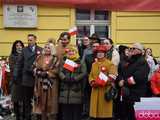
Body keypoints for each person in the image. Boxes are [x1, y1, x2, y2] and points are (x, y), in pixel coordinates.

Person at [118, 42, 150, 120]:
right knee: (126, 114)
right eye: (130, 48)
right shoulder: (130, 61)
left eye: (133, 48)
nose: (131, 50)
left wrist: (124, 82)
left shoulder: (142, 62)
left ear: (140, 51)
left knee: (132, 115)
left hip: (135, 94)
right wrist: (120, 79)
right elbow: (121, 72)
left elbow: (137, 78)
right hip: (127, 93)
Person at [14, 34, 42, 120]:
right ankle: (27, 117)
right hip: (26, 79)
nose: (29, 42)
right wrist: (15, 75)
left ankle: (38, 117)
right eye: (28, 40)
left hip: (37, 78)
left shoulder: (40, 50)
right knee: (26, 101)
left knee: (38, 100)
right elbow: (19, 63)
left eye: (31, 40)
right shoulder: (24, 50)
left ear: (35, 40)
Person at [89, 45, 117, 120]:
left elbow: (112, 77)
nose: (100, 54)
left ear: (105, 53)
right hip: (95, 91)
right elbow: (90, 75)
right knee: (95, 115)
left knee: (105, 115)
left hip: (105, 91)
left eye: (102, 52)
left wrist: (100, 83)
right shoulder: (93, 64)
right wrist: (92, 82)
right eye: (98, 52)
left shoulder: (110, 64)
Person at [59, 45, 86, 120]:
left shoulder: (80, 61)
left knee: (76, 112)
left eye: (73, 51)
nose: (71, 52)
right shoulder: (64, 61)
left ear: (76, 52)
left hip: (76, 89)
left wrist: (75, 79)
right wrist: (64, 78)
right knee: (66, 112)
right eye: (70, 51)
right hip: (65, 89)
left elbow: (83, 73)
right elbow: (60, 71)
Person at [33, 43, 59, 120]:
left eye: (49, 48)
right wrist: (38, 72)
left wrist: (47, 73)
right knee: (41, 101)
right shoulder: (39, 57)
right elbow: (34, 67)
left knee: (51, 102)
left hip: (51, 83)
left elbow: (57, 70)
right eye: (45, 47)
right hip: (40, 83)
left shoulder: (55, 58)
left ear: (52, 49)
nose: (47, 49)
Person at [9, 40, 24, 120]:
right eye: (17, 45)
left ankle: (24, 115)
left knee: (24, 99)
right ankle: (17, 116)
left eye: (20, 45)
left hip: (24, 80)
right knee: (16, 100)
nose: (19, 47)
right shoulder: (12, 56)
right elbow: (13, 68)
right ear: (15, 47)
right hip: (15, 80)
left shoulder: (25, 55)